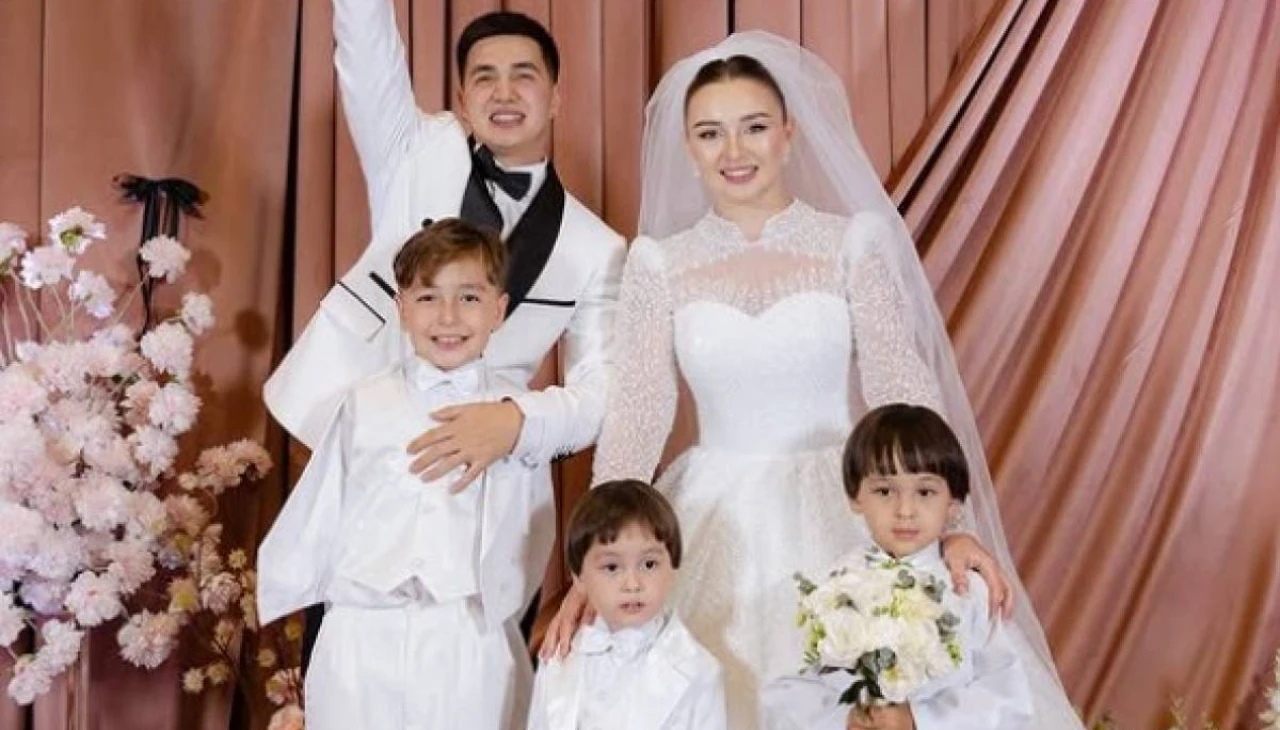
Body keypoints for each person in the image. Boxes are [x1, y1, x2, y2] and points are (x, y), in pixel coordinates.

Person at [544, 32, 1083, 730]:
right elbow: (640, 412)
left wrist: (948, 526)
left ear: (788, 133)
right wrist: (596, 556)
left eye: (753, 127)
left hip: (847, 504)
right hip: (715, 515)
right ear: (688, 147)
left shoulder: (851, 241)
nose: (733, 151)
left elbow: (902, 391)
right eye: (710, 133)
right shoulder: (659, 262)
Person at [265, 2, 625, 488]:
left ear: (556, 97)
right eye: (484, 78)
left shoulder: (597, 248)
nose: (504, 93)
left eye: (523, 76)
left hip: (477, 465)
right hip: (341, 428)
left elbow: (604, 389)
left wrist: (518, 421)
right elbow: (365, 45)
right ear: (462, 99)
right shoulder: (414, 149)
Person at [257, 219, 557, 730]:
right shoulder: (362, 403)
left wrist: (498, 606)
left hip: (465, 630)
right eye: (427, 298)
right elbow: (323, 511)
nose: (448, 316)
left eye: (469, 298)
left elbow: (534, 525)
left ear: (499, 310)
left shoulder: (517, 412)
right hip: (363, 631)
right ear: (401, 309)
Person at [762, 404, 1034, 730]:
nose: (905, 510)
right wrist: (843, 717)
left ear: (953, 503)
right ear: (855, 497)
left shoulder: (970, 592)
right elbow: (784, 688)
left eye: (925, 491)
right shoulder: (827, 589)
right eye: (884, 491)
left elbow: (1007, 696)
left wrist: (920, 719)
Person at [527, 480, 727, 730]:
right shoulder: (558, 658)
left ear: (673, 568)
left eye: (649, 564)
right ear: (580, 579)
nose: (632, 584)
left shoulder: (700, 672)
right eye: (612, 567)